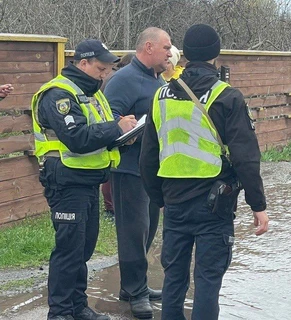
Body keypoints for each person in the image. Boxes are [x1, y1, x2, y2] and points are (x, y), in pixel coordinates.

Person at [139, 24, 269, 320]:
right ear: (215, 54)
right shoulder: (227, 96)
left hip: (173, 203)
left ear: (184, 53)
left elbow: (147, 158)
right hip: (215, 205)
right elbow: (246, 158)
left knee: (174, 279)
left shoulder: (160, 97)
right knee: (208, 281)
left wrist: (160, 198)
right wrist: (258, 206)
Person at [31, 39, 137, 320]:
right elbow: (76, 138)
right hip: (66, 180)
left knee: (83, 248)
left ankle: (77, 306)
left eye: (106, 69)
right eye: (101, 68)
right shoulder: (59, 94)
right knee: (69, 250)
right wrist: (116, 127)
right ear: (83, 63)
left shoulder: (91, 93)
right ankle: (60, 312)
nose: (104, 75)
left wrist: (123, 136)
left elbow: (99, 135)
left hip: (88, 179)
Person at [103, 27, 172, 319]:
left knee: (148, 229)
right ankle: (136, 292)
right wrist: (124, 124)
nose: (170, 53)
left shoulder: (157, 80)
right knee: (133, 232)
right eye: (166, 47)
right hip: (128, 168)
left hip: (153, 170)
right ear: (148, 47)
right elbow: (108, 118)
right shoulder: (123, 79)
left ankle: (133, 287)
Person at [100, 53, 134, 220]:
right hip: (116, 129)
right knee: (112, 173)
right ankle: (110, 207)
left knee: (109, 174)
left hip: (109, 131)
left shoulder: (110, 77)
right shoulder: (119, 80)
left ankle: (109, 207)